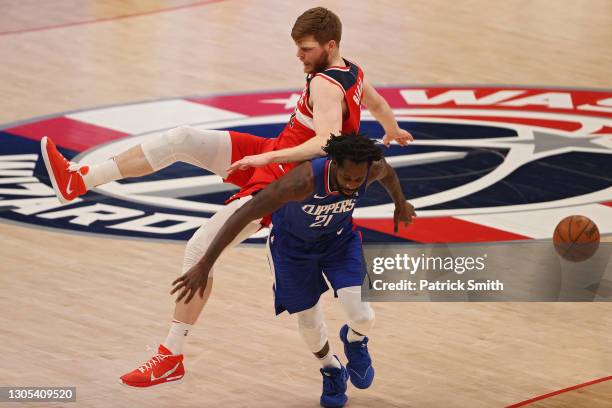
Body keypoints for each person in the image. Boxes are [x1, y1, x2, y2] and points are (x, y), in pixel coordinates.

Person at [39, 7, 413, 388]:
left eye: (306, 49)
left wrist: (265, 158)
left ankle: (172, 354)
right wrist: (393, 128)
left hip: (285, 175)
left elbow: (325, 143)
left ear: (329, 45)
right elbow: (377, 103)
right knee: (181, 138)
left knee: (199, 249)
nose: (298, 56)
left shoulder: (324, 86)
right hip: (277, 151)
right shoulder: (351, 70)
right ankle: (78, 179)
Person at [171, 133, 416, 408]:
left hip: (339, 242)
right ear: (334, 164)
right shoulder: (302, 182)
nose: (351, 185)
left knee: (363, 315)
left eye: (357, 180)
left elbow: (389, 175)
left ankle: (354, 338)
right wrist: (205, 263)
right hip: (292, 251)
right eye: (346, 177)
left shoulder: (373, 166)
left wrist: (400, 203)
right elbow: (245, 214)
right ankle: (332, 369)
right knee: (309, 324)